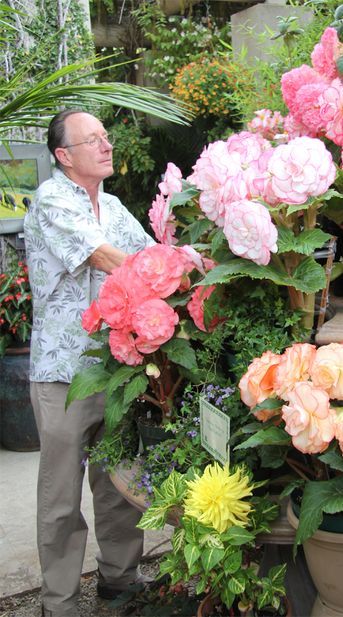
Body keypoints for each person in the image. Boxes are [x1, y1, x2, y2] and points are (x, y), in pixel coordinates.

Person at [23, 109, 155, 617]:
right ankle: (58, 602)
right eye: (93, 140)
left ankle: (120, 582)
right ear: (64, 156)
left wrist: (191, 264)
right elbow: (105, 256)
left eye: (106, 137)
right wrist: (164, 277)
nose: (106, 146)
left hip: (114, 369)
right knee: (61, 495)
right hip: (63, 375)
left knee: (119, 484)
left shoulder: (115, 206)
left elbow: (150, 251)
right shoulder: (53, 197)